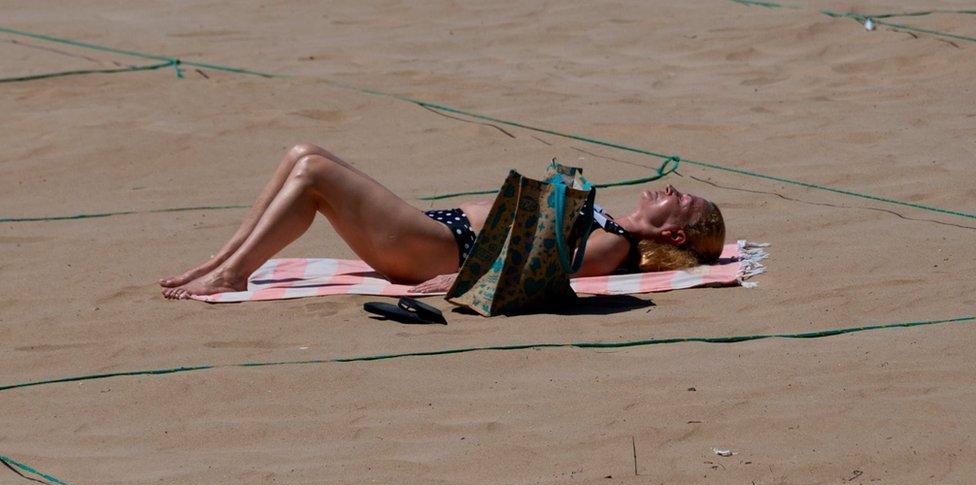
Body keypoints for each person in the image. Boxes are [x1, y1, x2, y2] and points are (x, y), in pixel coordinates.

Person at [160, 144, 725, 299]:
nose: (673, 190)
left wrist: (454, 283)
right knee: (301, 153)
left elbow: (539, 280)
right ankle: (223, 261)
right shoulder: (609, 226)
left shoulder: (611, 246)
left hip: (432, 249)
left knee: (312, 174)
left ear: (674, 234)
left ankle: (233, 275)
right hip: (434, 232)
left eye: (684, 204)